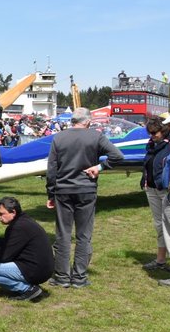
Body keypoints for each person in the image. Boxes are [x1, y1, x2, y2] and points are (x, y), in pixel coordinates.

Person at [45, 107, 124, 288]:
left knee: (63, 235)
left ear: (73, 120)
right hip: (86, 190)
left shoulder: (59, 137)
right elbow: (118, 155)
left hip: (63, 191)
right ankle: (79, 278)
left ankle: (62, 277)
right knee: (83, 236)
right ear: (87, 121)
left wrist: (51, 193)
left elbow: (52, 169)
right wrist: (100, 167)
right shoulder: (95, 136)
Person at [0, 196, 54, 302]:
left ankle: (28, 289)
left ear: (13, 212)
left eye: (1, 214)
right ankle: (27, 285)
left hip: (36, 271)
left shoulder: (17, 228)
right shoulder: (24, 221)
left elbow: (5, 257)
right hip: (43, 268)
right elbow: (6, 244)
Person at [140, 116, 170, 272]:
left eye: (155, 133)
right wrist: (145, 180)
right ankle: (161, 259)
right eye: (150, 133)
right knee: (159, 225)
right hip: (152, 189)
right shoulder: (151, 144)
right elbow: (148, 163)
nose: (152, 136)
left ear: (163, 130)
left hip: (167, 190)